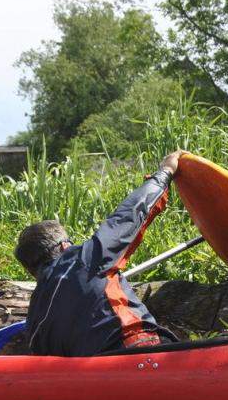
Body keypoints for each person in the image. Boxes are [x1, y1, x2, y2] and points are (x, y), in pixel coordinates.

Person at [15, 150, 184, 357]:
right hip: (138, 357)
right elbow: (129, 215)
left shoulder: (34, 320)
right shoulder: (83, 259)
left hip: (93, 382)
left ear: (31, 271)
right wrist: (165, 171)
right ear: (64, 246)